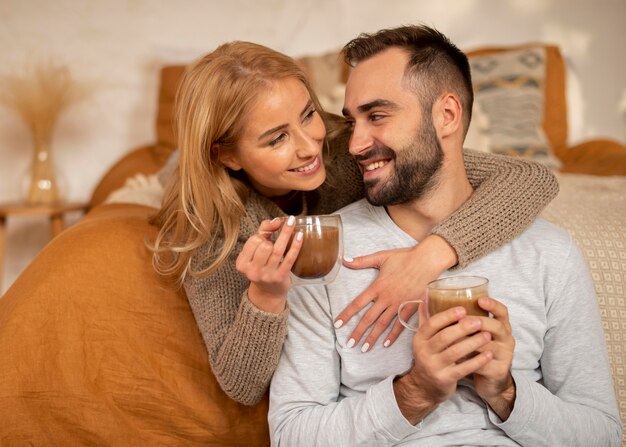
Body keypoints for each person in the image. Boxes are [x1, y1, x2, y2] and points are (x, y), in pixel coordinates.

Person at [149, 41, 559, 406]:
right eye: (277, 139)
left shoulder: (344, 148)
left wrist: (429, 256)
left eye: (307, 115)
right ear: (228, 156)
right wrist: (266, 297)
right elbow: (241, 385)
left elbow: (531, 176)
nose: (308, 147)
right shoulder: (210, 229)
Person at [268, 25, 622, 446]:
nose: (356, 143)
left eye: (377, 115)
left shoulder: (549, 252)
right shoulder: (323, 252)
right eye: (351, 121)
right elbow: (290, 436)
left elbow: (602, 435)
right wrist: (414, 392)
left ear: (447, 115)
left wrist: (505, 392)